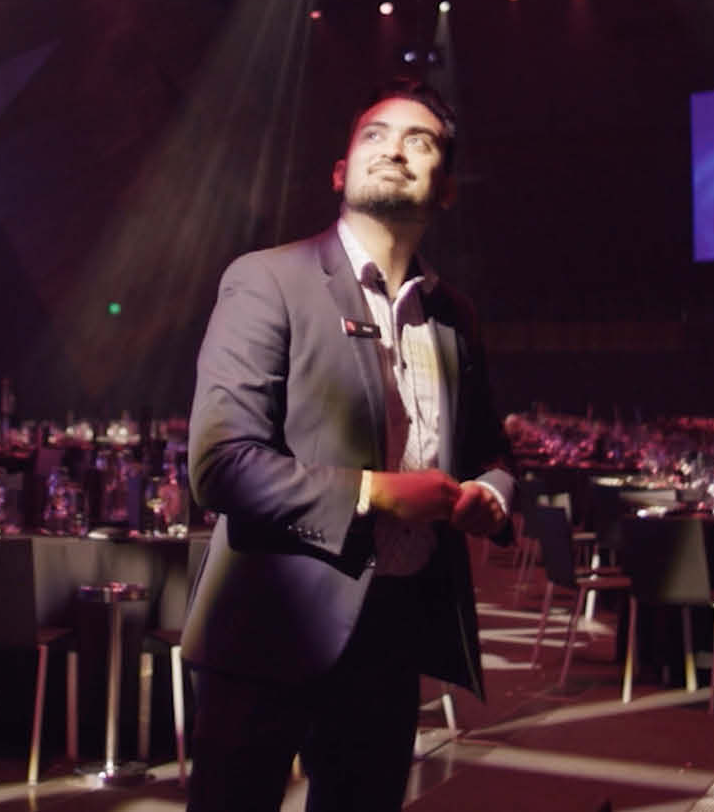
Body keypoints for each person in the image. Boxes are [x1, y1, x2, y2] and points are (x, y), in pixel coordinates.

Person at [182, 80, 515, 812]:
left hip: (392, 626)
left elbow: (491, 446)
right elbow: (218, 466)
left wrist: (491, 492)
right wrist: (378, 491)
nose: (394, 148)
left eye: (419, 141)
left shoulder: (454, 315)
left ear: (446, 189)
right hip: (267, 626)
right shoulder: (268, 280)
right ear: (341, 172)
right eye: (375, 135)